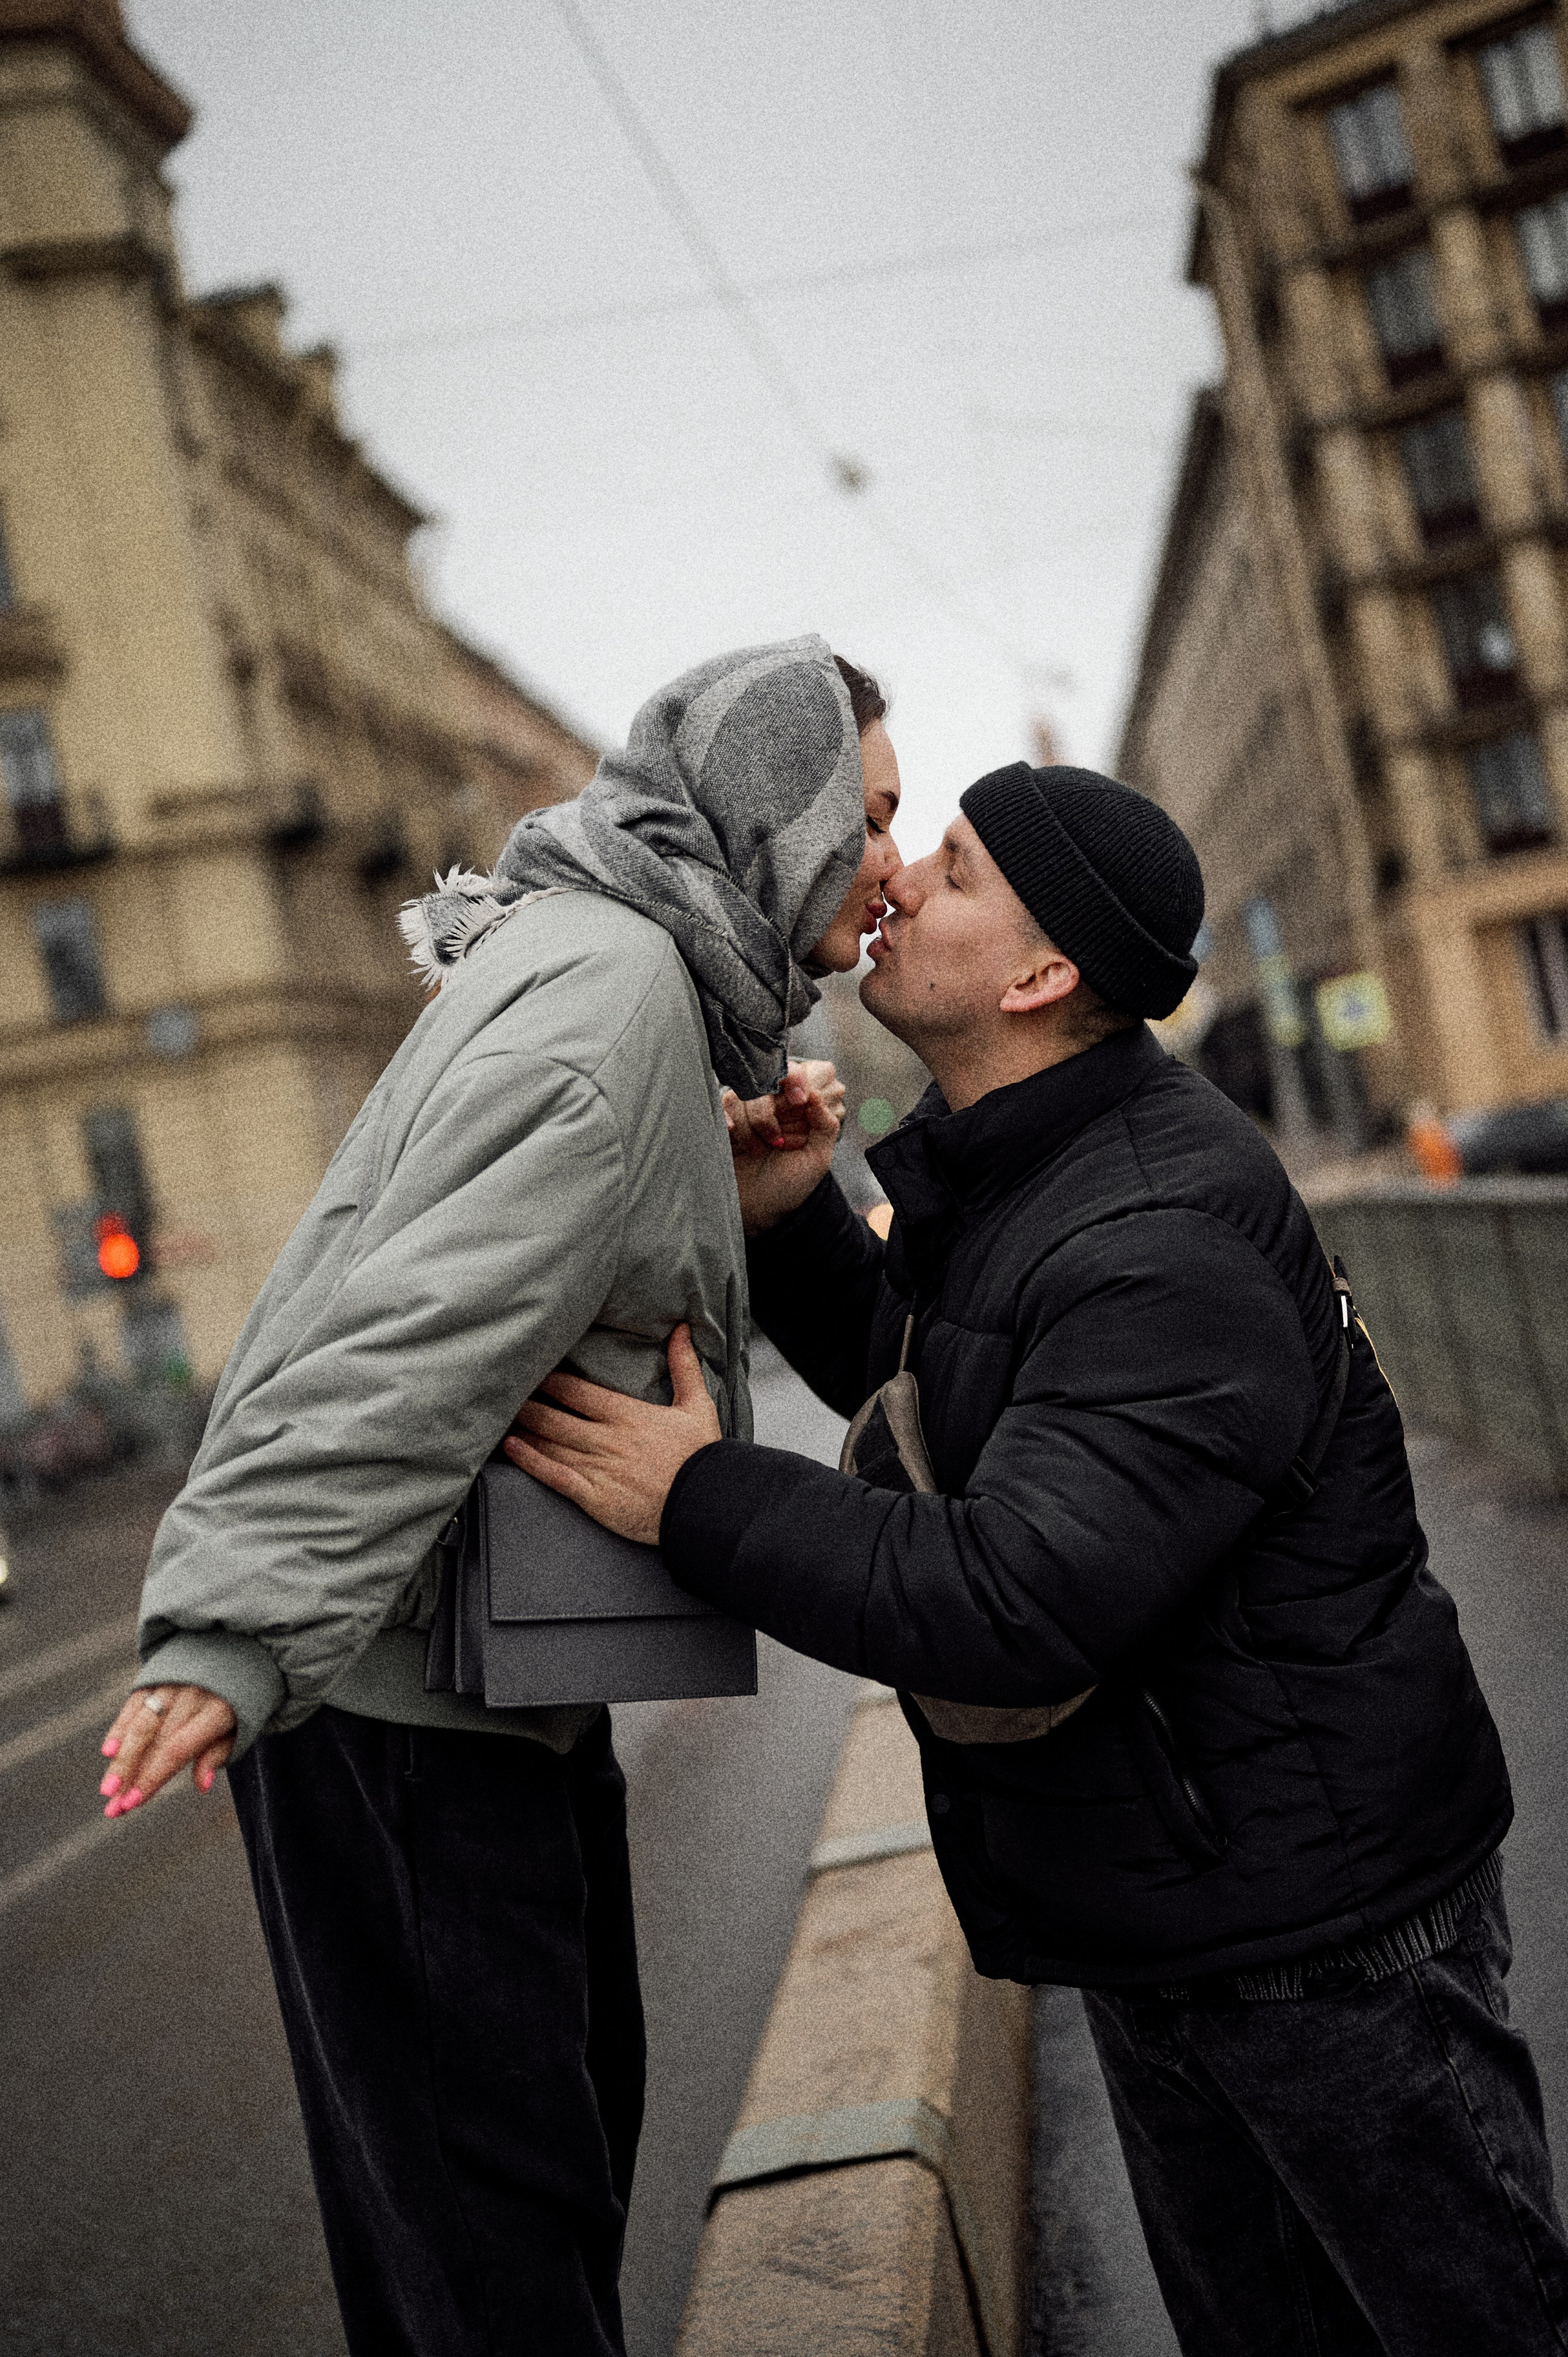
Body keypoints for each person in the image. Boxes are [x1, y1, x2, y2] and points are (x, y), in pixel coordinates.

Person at [508, 758, 1568, 2356]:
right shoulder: (1041, 1175)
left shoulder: (1159, 1228)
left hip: (1321, 1948)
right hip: (1197, 1909)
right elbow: (972, 1398)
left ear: (1040, 972)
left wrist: (701, 1498)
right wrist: (799, 1215)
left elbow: (1016, 1594)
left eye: (954, 865)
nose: (901, 883)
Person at [92, 635, 902, 2357]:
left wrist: (744, 1208)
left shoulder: (644, 989)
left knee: (536, 2178)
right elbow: (399, 1327)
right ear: (784, 821)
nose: (893, 872)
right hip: (393, 1716)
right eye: (878, 824)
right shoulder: (615, 1015)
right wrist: (227, 1629)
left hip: (482, 1694)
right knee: (494, 2246)